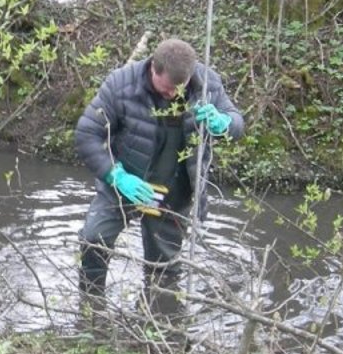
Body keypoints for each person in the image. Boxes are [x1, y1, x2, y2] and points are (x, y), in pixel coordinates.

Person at [73, 37, 244, 302]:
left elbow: (236, 122)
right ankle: (90, 309)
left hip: (173, 192)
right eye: (165, 91)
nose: (173, 96)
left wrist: (223, 123)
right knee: (94, 239)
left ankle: (158, 323)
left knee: (163, 270)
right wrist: (115, 176)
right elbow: (87, 134)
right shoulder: (120, 84)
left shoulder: (207, 84)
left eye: (178, 90)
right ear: (153, 67)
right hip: (123, 181)